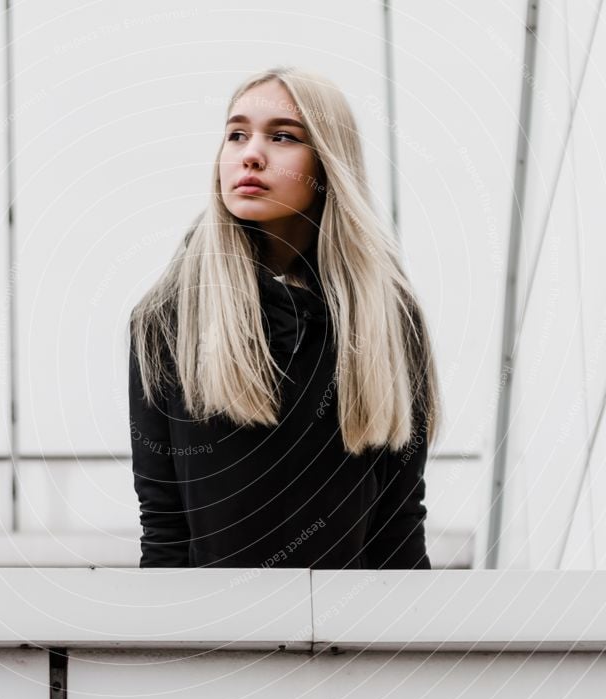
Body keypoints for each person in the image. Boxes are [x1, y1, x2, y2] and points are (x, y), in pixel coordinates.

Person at [127, 65, 443, 570]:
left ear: (327, 165)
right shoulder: (167, 318)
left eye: (282, 136)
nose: (250, 153)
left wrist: (412, 648)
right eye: (236, 134)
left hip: (354, 636)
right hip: (214, 635)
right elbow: (164, 528)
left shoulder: (388, 316)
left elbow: (399, 524)